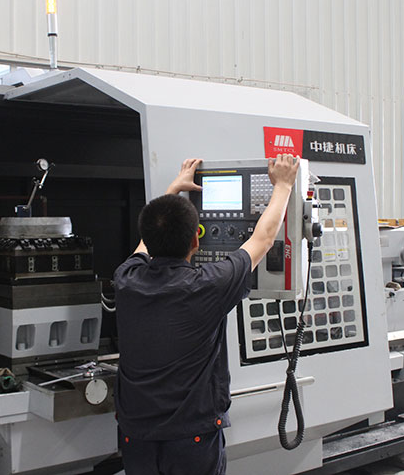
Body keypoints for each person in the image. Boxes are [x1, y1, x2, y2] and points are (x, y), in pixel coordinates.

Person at [113, 154, 301, 474]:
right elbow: (263, 239)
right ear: (195, 239)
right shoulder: (208, 285)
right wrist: (283, 186)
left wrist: (174, 189)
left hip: (136, 435)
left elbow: (148, 240)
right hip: (192, 437)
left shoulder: (126, 280)